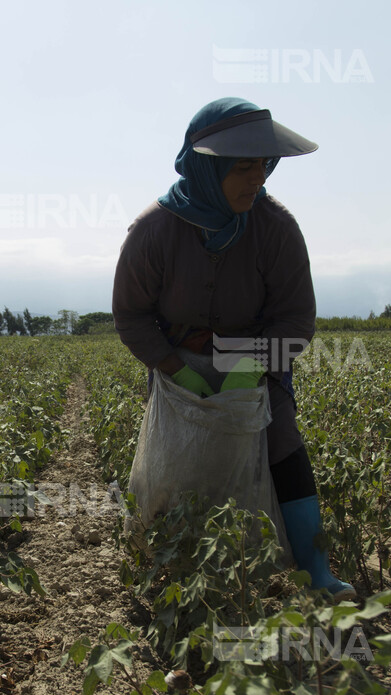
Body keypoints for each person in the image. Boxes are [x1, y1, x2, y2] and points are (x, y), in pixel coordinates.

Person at [112, 97, 356, 600]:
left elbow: (296, 318)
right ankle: (162, 560)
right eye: (243, 167)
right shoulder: (154, 231)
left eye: (265, 166)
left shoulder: (276, 230)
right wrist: (177, 369)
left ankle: (315, 569)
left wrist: (251, 367)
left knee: (282, 443)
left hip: (258, 363)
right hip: (178, 362)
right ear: (209, 166)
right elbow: (132, 315)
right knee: (175, 459)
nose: (258, 179)